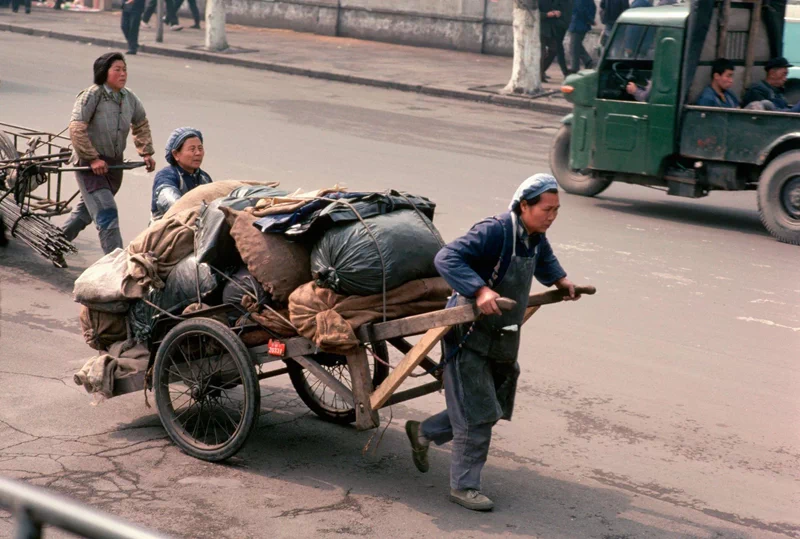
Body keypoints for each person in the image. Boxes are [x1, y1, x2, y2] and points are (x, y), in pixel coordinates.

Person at [405, 174, 580, 512]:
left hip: (503, 333)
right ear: (524, 205)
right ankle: (464, 486)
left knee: (494, 402)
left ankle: (425, 431)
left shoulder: (533, 236)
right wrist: (480, 290)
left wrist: (562, 281)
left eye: (556, 211)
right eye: (547, 209)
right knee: (478, 414)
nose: (552, 216)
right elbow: (447, 258)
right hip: (469, 331)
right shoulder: (496, 229)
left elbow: (544, 262)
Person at [61, 52, 156, 254]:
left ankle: (56, 242)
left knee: (85, 212)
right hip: (89, 167)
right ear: (105, 72)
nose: (123, 74)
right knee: (107, 212)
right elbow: (76, 128)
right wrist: (92, 159)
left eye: (125, 69)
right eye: (117, 70)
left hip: (113, 166)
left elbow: (140, 123)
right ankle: (115, 265)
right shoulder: (91, 95)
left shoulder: (129, 97)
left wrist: (146, 152)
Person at [150, 127, 212, 220]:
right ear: (176, 154)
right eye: (192, 149)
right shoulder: (166, 176)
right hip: (168, 228)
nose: (198, 153)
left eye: (200, 148)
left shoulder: (204, 178)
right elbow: (174, 205)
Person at [540, 0, 571, 81]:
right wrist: (546, 15)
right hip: (540, 29)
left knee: (554, 49)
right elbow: (534, 13)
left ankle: (541, 71)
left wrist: (556, 13)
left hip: (552, 29)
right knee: (541, 53)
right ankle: (539, 74)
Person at [568, 0, 597, 72]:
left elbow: (581, 10)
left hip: (578, 24)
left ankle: (575, 68)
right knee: (576, 46)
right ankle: (588, 62)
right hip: (580, 24)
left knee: (574, 48)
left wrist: (590, 20)